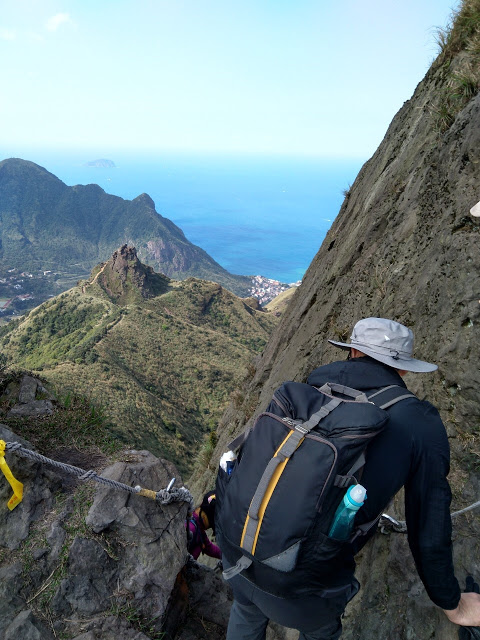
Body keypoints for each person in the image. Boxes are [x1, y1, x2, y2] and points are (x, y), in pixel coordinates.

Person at [225, 317, 480, 639]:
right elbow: (429, 525)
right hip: (302, 590)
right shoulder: (419, 423)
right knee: (320, 630)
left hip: (237, 552)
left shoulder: (308, 390)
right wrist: (453, 604)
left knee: (246, 612)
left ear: (354, 351)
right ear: (402, 368)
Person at [186, 490, 222, 561]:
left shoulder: (197, 526)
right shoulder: (191, 529)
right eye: (210, 525)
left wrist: (228, 556)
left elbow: (208, 548)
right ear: (204, 516)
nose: (208, 528)